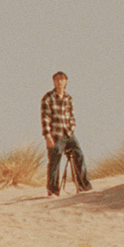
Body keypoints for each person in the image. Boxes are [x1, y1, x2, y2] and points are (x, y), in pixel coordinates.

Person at [42, 70, 91, 198]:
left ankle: (84, 186)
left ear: (66, 82)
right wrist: (47, 136)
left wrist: (71, 128)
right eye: (57, 80)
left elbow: (71, 115)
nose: (60, 82)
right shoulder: (48, 98)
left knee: (79, 155)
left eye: (62, 79)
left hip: (68, 134)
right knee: (55, 161)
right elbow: (45, 118)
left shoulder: (68, 98)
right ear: (54, 82)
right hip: (55, 134)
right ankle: (53, 191)